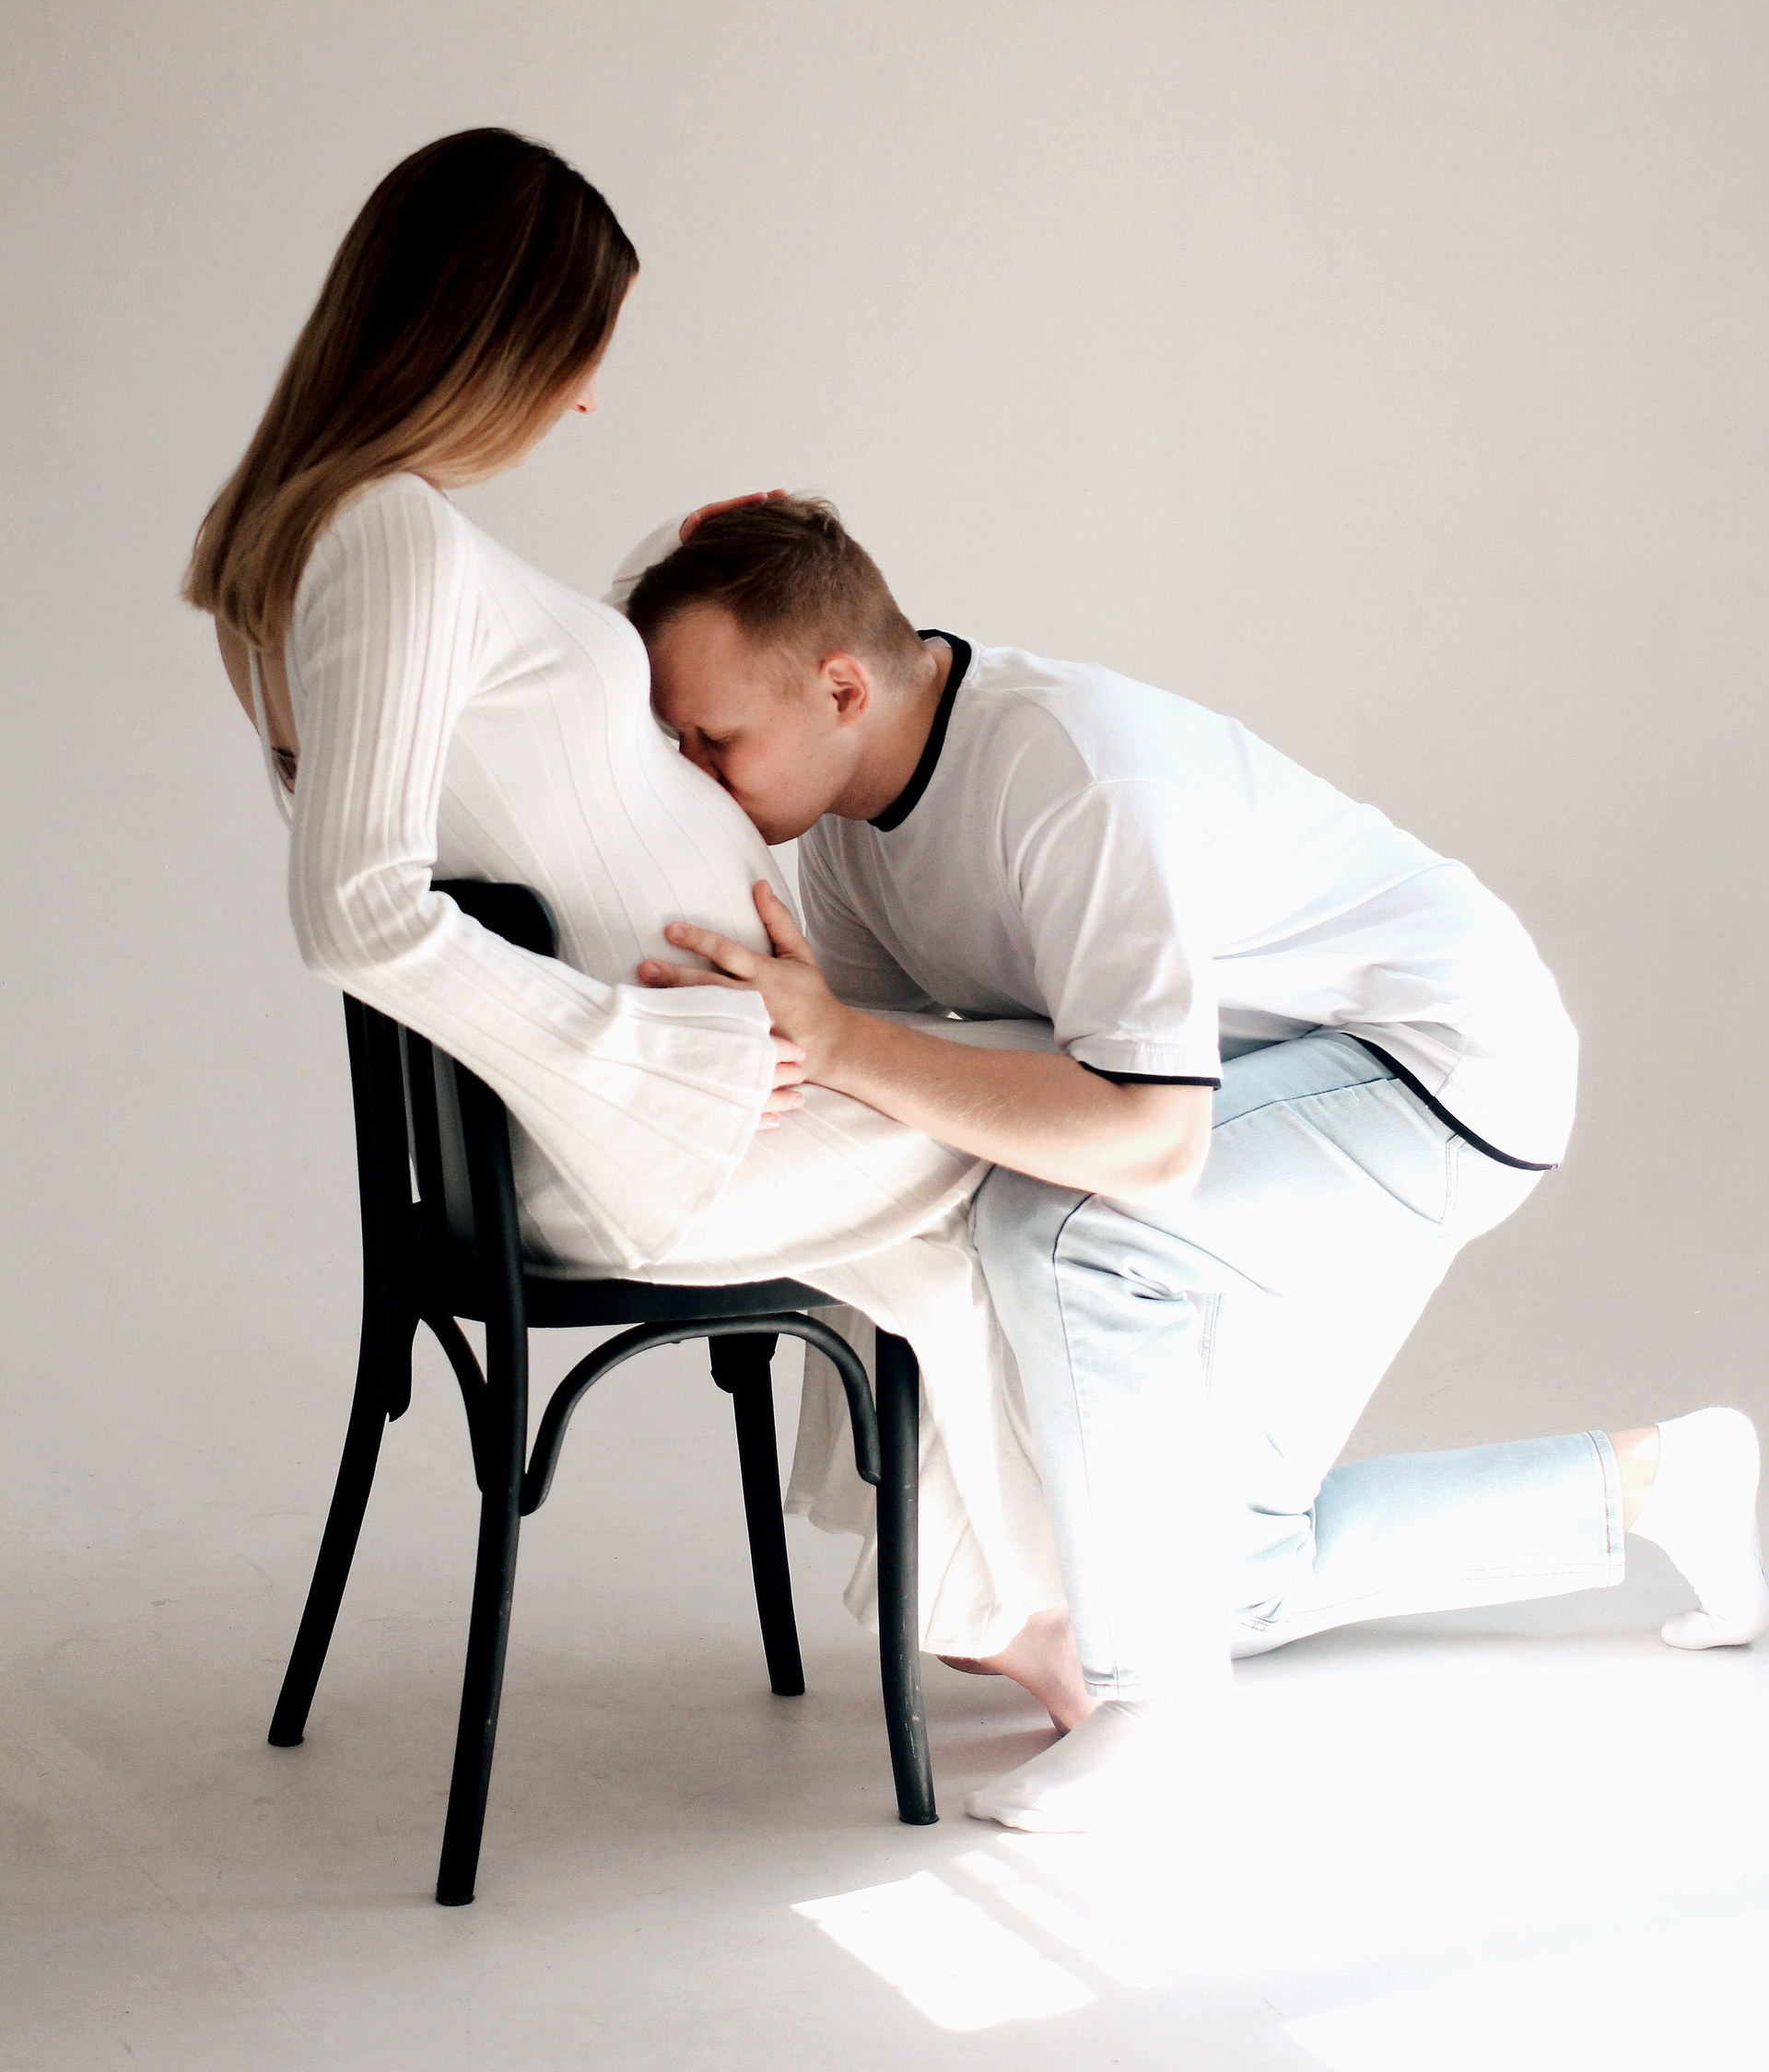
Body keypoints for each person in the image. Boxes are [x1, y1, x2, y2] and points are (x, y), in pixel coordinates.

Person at [621, 493, 1769, 1832]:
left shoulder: (1073, 781)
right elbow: (919, 1073)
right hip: (1270, 1081)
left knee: (1062, 1227)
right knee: (1221, 1581)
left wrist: (838, 1045)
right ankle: (1669, 1479)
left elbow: (1150, 1141)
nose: (691, 771)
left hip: (1440, 1068)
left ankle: (1158, 1706)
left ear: (840, 688)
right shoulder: (838, 820)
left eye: (713, 737)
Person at [182, 128, 1070, 1680]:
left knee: (965, 1191)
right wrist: (664, 1059)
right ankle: (1116, 1598)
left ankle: (1018, 1615)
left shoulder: (355, 543)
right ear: (493, 332)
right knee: (1080, 1091)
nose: (589, 395)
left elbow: (528, 767)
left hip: (643, 1128)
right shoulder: (389, 533)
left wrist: (682, 567)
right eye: (582, 348)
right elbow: (358, 911)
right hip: (644, 1143)